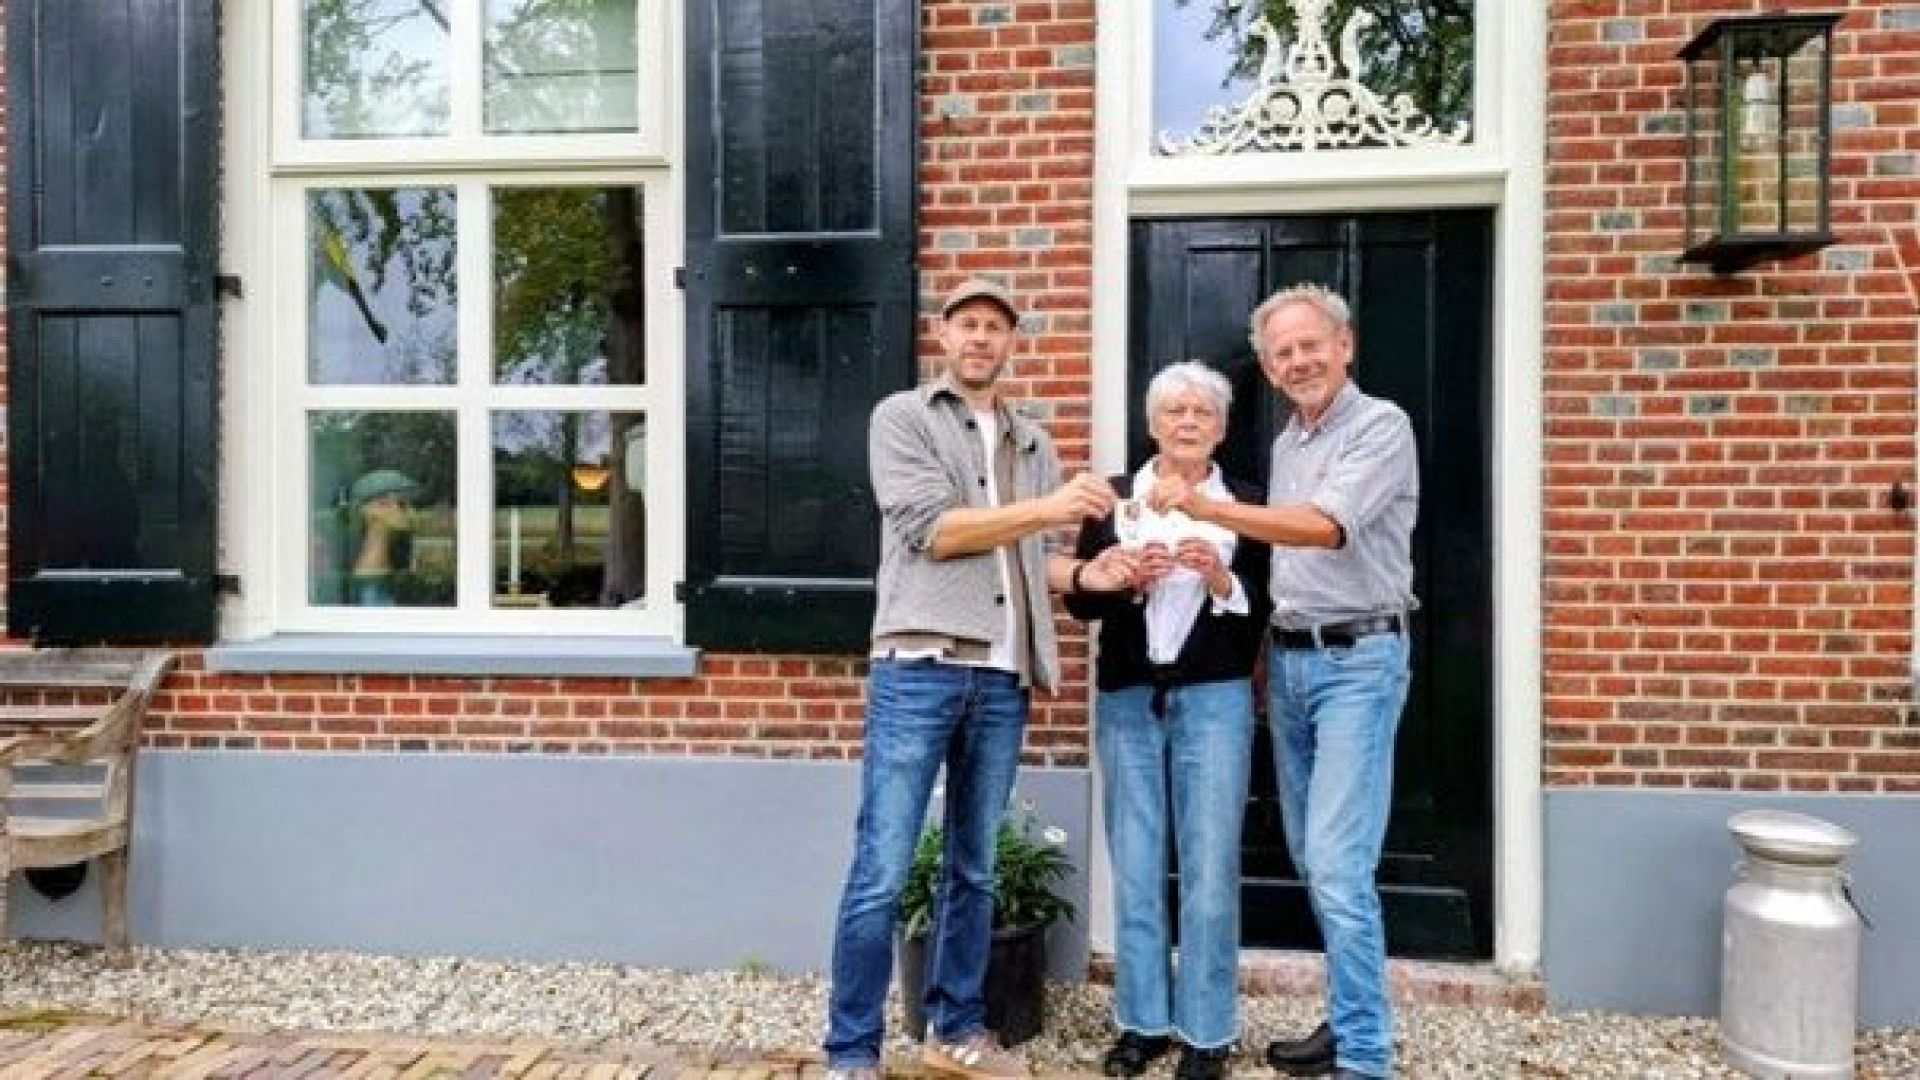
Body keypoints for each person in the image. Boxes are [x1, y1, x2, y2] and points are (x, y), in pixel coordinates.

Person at [822, 279, 1134, 1080]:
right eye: (968, 324)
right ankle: (851, 1050)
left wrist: (1089, 574)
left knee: (976, 865)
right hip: (920, 669)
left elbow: (1028, 559)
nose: (981, 338)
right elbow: (933, 530)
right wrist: (1051, 509)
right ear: (945, 335)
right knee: (883, 867)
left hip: (1002, 677)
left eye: (996, 326)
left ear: (1011, 342)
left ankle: (954, 1028)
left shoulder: (1033, 443)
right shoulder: (904, 418)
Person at [1147, 285, 1418, 1080]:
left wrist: (1205, 508)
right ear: (1268, 368)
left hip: (1359, 662)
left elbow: (1322, 528)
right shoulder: (1291, 442)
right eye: (1282, 352)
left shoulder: (1381, 425)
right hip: (1294, 663)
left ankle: (1365, 1058)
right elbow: (1289, 568)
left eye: (1310, 345)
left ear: (1345, 346)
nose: (1298, 361)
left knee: (1336, 862)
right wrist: (1268, 653)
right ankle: (1351, 1016)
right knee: (1312, 855)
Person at [1065, 362, 1271, 1080]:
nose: (1188, 422)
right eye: (1174, 411)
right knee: (1137, 861)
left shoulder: (1248, 502)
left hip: (1215, 700)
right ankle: (1143, 1022)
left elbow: (1267, 603)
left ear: (1222, 427)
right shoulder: (1115, 498)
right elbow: (1080, 602)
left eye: (1202, 412)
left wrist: (1221, 580)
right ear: (1152, 424)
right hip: (1128, 698)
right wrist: (1122, 580)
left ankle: (1208, 1031)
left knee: (1211, 867)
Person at [345, 469, 420, 606]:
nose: (411, 512)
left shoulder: (382, 571)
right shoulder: (370, 591)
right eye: (402, 505)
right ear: (374, 509)